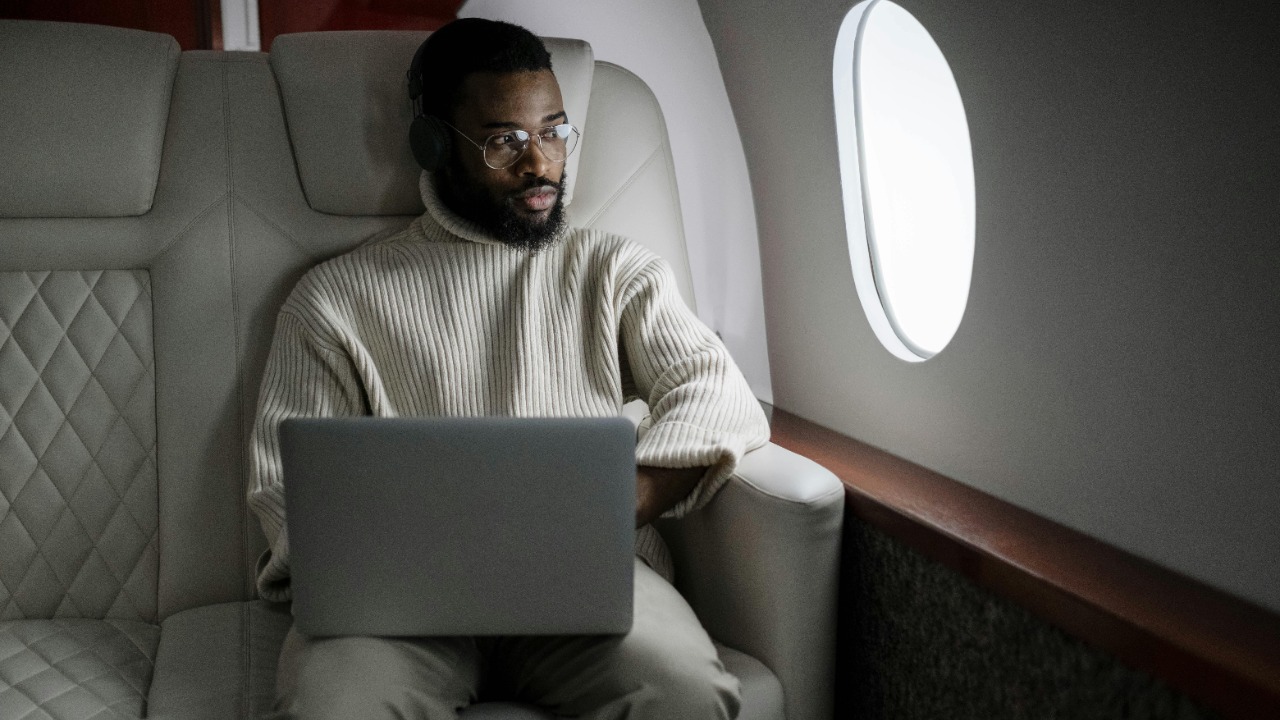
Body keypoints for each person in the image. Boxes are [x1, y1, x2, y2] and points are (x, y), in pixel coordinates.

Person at [248, 17, 769, 720]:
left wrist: (624, 500)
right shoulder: (334, 299)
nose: (541, 165)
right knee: (332, 708)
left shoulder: (615, 271)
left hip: (587, 579)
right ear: (434, 145)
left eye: (554, 131)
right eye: (505, 142)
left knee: (686, 695)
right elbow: (284, 486)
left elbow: (720, 395)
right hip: (397, 605)